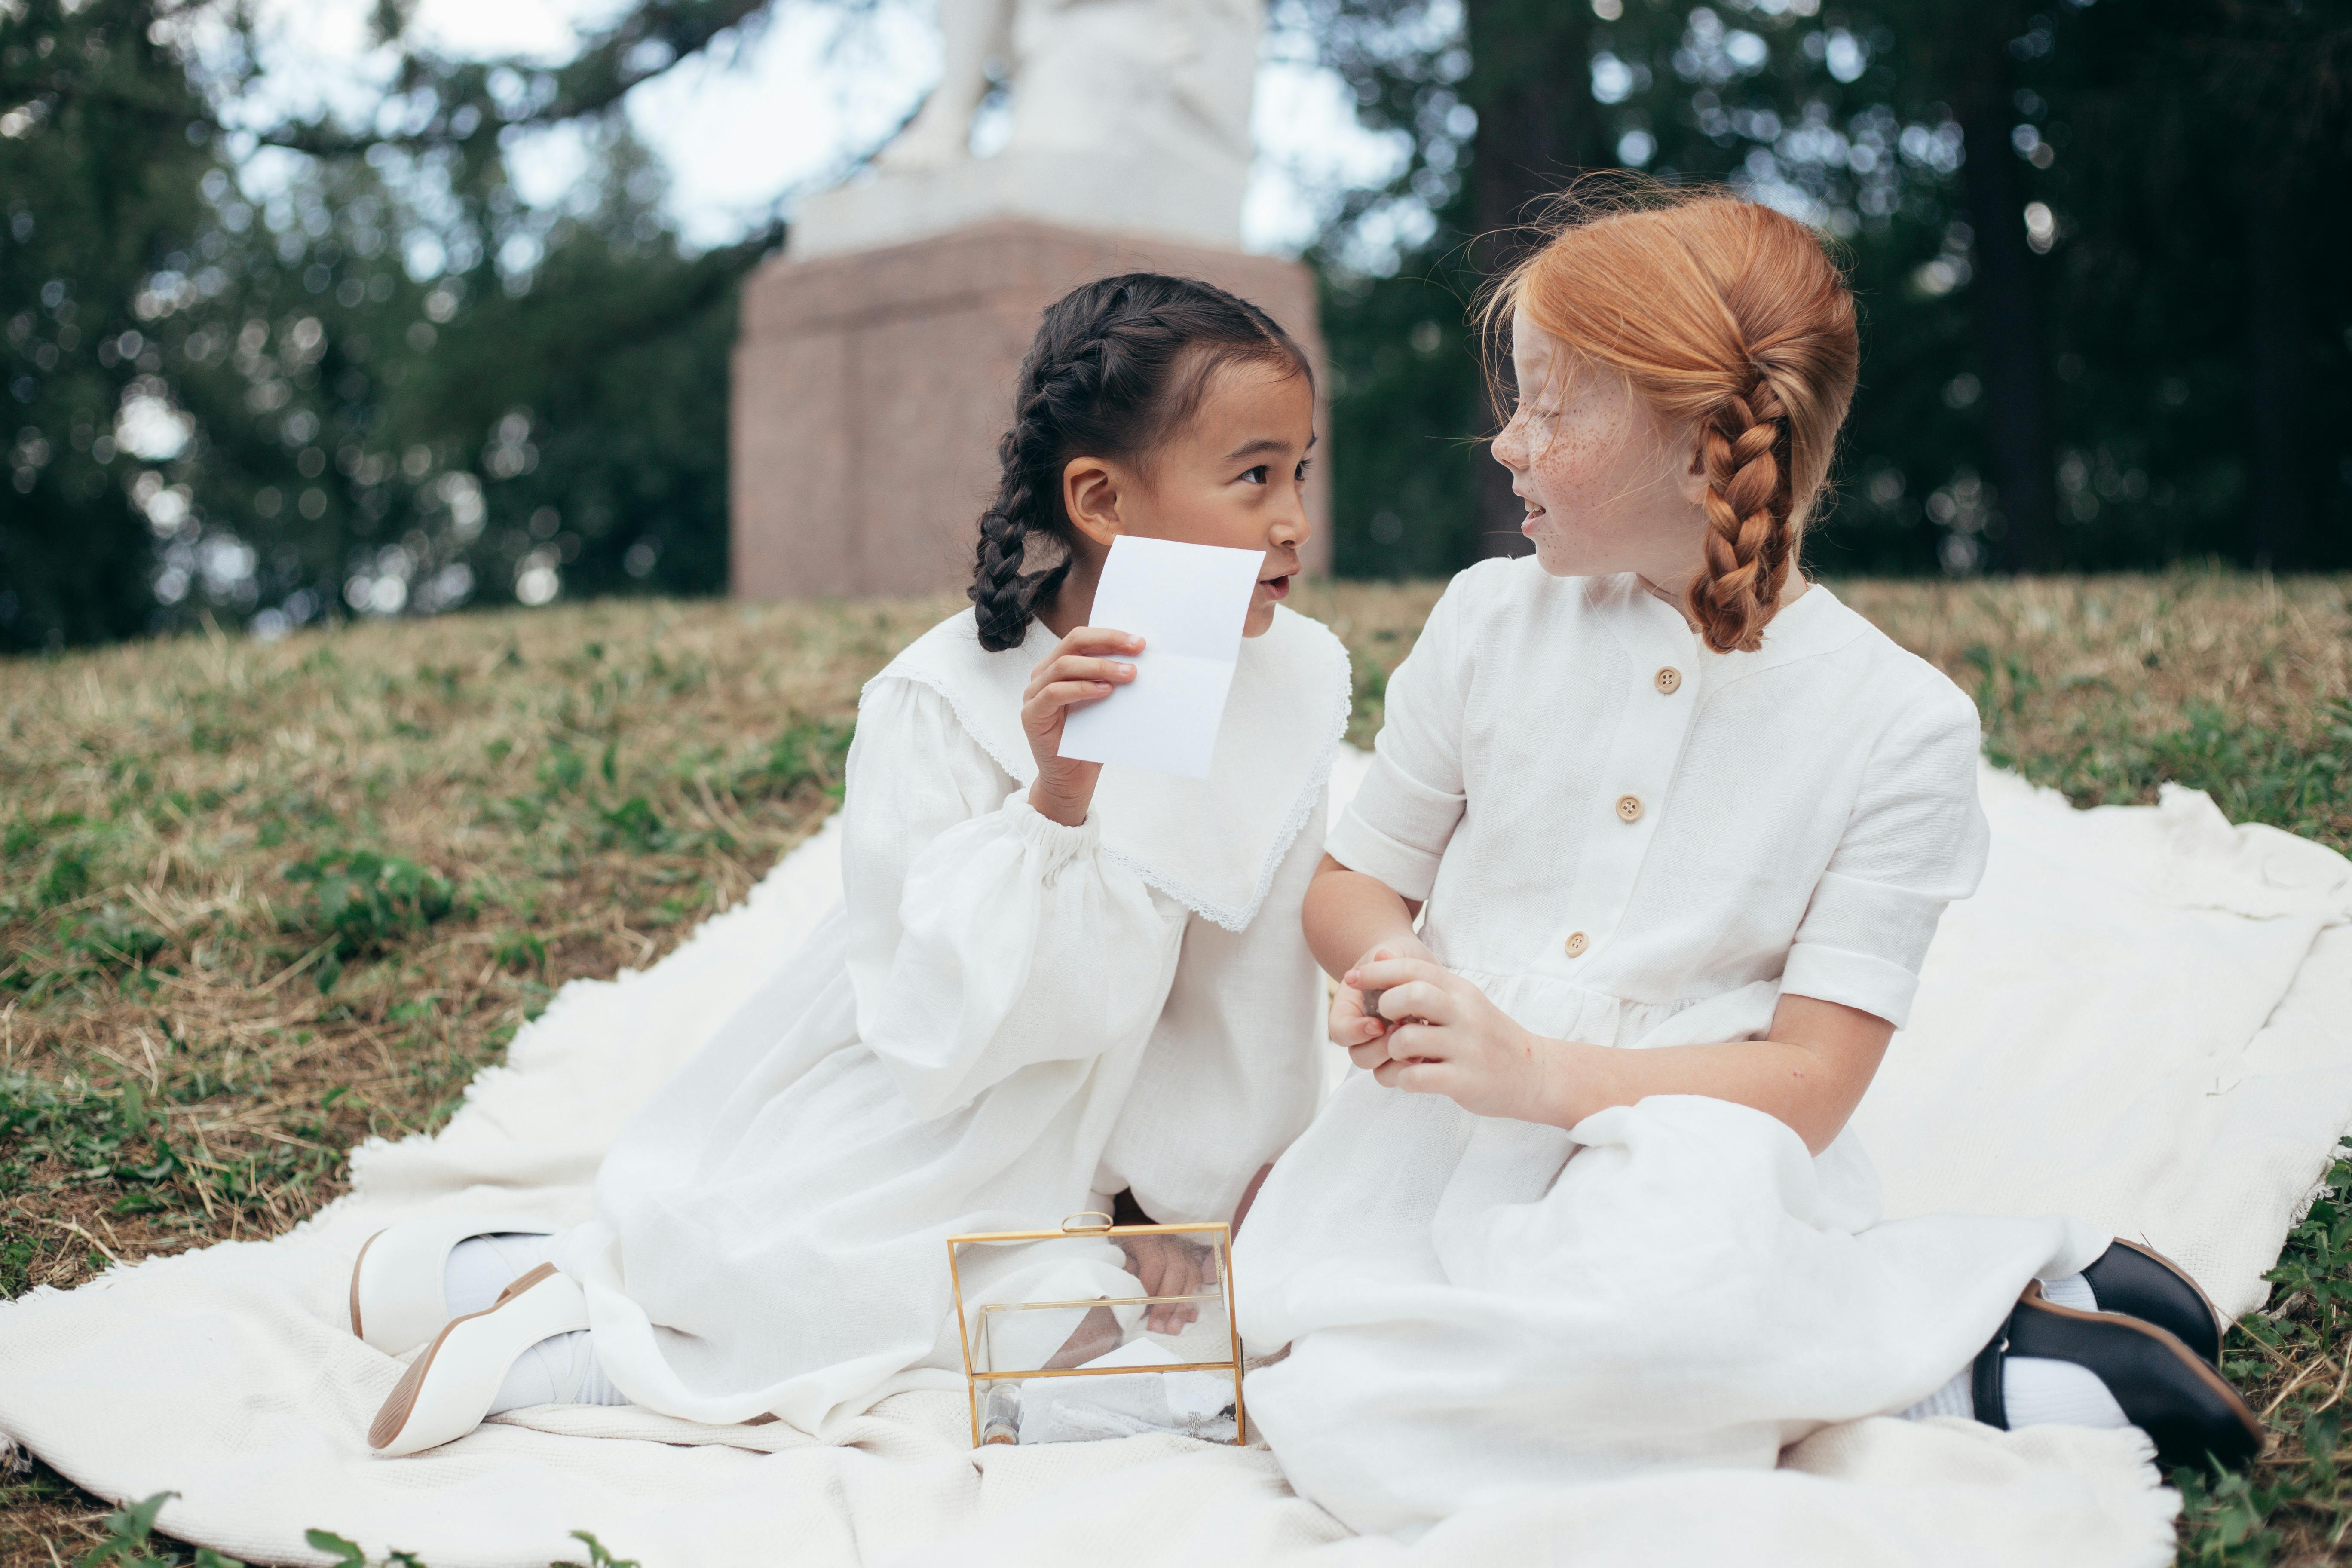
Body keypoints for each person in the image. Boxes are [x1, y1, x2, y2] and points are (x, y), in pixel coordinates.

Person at [1231, 187, 2263, 1540]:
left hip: (1687, 1139)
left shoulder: (1897, 724)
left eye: (1550, 407)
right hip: (1430, 1137)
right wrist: (1396, 970)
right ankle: (1926, 1322)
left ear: (1701, 443)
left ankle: (1957, 1361)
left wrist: (1548, 1077)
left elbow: (1809, 1083)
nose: (1507, 440)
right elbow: (1357, 881)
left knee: (1631, 1312)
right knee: (1323, 1392)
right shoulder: (1489, 621)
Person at [351, 273, 1350, 1456]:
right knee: (849, 1287)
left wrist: (1197, 1197)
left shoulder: (1293, 678)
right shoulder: (942, 699)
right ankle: (564, 1349)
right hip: (944, 1118)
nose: (1293, 519)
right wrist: (1059, 802)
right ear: (1103, 501)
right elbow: (934, 1021)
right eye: (1253, 477)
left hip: (1116, 1166)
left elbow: (1250, 988)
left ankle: (484, 1273)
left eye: (1301, 471)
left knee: (1174, 1379)